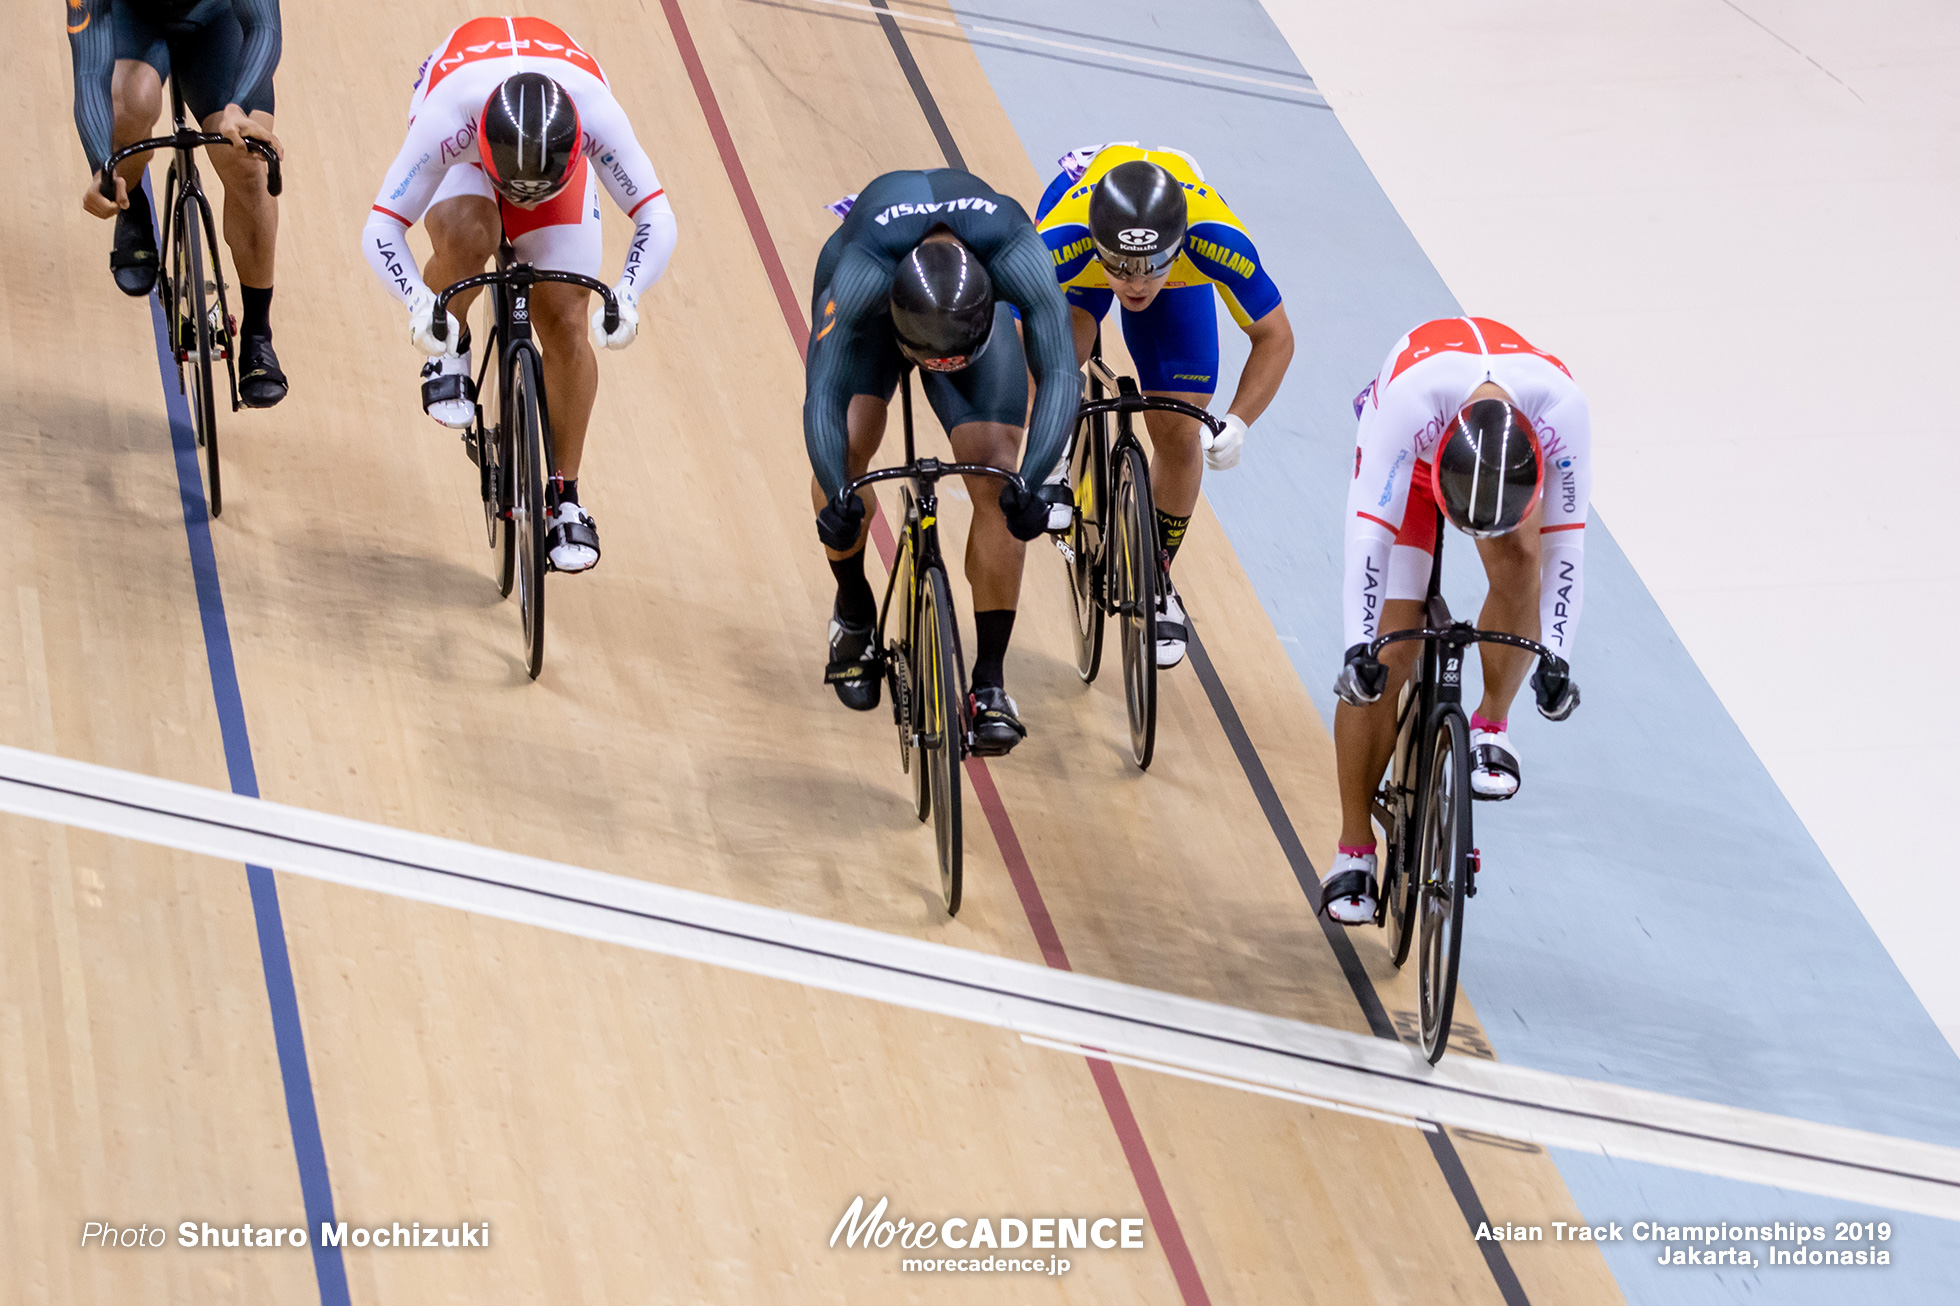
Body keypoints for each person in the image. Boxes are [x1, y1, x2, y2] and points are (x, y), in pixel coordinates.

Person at [360, 17, 677, 573]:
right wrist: (420, 304)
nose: (522, 202)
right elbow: (382, 228)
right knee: (470, 235)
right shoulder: (448, 120)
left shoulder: (595, 115)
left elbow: (656, 214)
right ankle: (450, 349)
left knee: (565, 317)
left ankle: (565, 495)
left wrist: (627, 293)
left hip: (553, 141)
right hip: (470, 116)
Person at [1320, 317, 1590, 924]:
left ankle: (1492, 725)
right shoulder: (1407, 410)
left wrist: (1558, 657)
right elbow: (1369, 538)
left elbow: (1566, 545)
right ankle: (1353, 848)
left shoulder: (1562, 414)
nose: (1472, 539)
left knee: (1521, 557)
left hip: (1504, 461)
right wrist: (1357, 650)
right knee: (1389, 655)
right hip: (1411, 465)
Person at [806, 168, 1075, 755]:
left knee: (998, 473)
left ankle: (990, 683)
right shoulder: (858, 276)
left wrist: (1032, 483)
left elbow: (1059, 372)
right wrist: (837, 492)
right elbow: (822, 395)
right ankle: (854, 613)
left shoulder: (1013, 250)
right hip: (880, 311)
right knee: (848, 449)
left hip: (962, 316)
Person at [1034, 144, 1294, 667]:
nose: (1135, 283)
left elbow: (1275, 336)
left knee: (1178, 432)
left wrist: (1239, 420)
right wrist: (1040, 420)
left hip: (1174, 266)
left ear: (1177, 246)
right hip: (1084, 253)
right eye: (1123, 269)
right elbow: (1014, 328)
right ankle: (1057, 455)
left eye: (1150, 268)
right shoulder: (1063, 240)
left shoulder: (1213, 239)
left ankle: (1156, 575)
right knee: (1061, 349)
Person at [68, 0, 289, 407]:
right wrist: (103, 166)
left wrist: (238, 108)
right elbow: (89, 71)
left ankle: (258, 333)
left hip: (218, 24)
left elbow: (265, 27)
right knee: (125, 104)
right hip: (131, 20)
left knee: (248, 164)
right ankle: (131, 204)